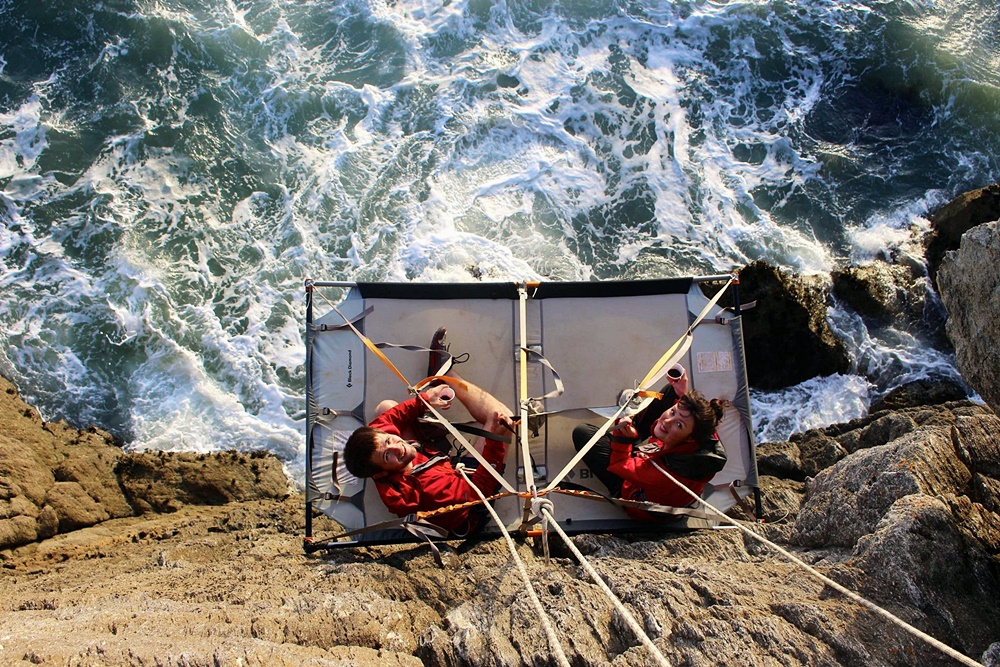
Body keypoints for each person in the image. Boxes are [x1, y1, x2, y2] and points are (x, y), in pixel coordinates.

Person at [343, 328, 514, 538]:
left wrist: (425, 400)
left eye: (388, 441)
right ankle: (446, 375)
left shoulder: (381, 449)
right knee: (504, 418)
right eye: (388, 456)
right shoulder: (431, 490)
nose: (397, 446)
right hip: (468, 496)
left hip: (431, 466)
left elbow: (386, 421)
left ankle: (434, 395)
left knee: (385, 408)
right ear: (380, 474)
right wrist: (495, 440)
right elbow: (481, 487)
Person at [572, 365, 727, 520]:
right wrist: (681, 394)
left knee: (583, 433)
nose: (667, 421)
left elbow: (619, 464)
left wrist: (624, 438)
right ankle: (663, 418)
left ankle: (630, 429)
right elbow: (695, 421)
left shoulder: (662, 473)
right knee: (671, 392)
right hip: (661, 465)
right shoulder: (705, 442)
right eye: (673, 412)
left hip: (638, 500)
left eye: (679, 424)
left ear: (690, 438)